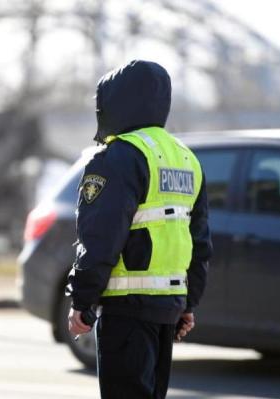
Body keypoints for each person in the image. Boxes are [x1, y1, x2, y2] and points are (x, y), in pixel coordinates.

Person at [67, 60, 212, 399]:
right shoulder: (186, 159)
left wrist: (82, 301)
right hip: (167, 311)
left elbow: (100, 238)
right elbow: (200, 241)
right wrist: (187, 303)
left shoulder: (118, 157)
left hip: (126, 312)